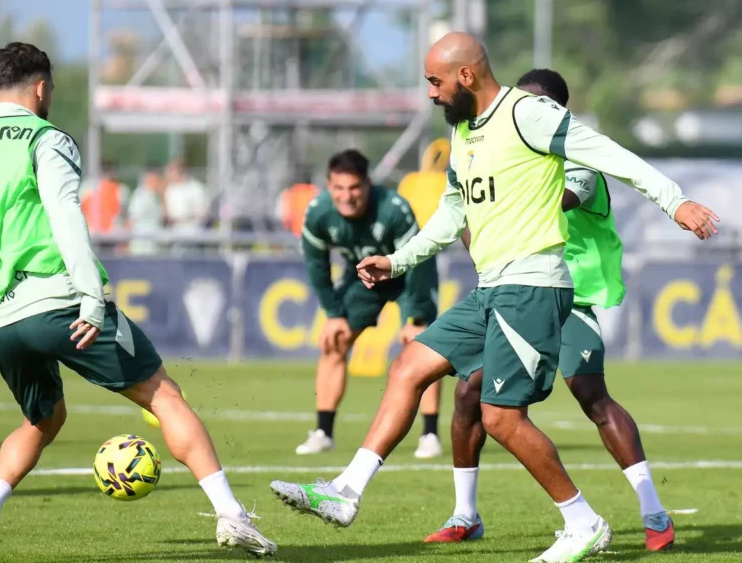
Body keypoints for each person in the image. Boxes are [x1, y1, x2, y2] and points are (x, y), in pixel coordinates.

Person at [270, 32, 718, 563]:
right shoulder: (462, 133)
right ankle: (346, 492)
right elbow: (453, 212)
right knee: (410, 366)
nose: (431, 94)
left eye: (435, 82)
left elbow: (609, 154)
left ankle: (584, 522)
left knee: (502, 416)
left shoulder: (527, 114)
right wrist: (397, 260)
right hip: (492, 288)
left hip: (533, 287)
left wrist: (675, 200)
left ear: (465, 76)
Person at [0, 42, 275, 561]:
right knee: (164, 395)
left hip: (0, 321)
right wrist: (91, 299)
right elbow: (66, 217)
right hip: (61, 300)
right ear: (42, 87)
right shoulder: (47, 139)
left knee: (43, 421)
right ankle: (231, 516)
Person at [424, 68, 687, 552]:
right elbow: (481, 218)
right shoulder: (508, 147)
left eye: (536, 104)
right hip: (514, 295)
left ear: (558, 111)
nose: (522, 113)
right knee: (467, 396)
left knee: (591, 396)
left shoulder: (578, 164)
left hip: (571, 296)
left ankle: (654, 513)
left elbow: (537, 204)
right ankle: (465, 514)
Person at [296, 149, 443, 459]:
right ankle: (323, 432)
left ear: (367, 185)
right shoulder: (318, 213)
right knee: (334, 341)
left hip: (408, 275)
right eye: (338, 188)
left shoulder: (394, 209)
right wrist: (333, 314)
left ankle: (429, 435)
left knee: (424, 349)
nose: (346, 196)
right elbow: (316, 266)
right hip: (364, 277)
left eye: (354, 188)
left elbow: (419, 263)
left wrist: (416, 317)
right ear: (328, 186)